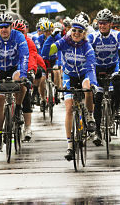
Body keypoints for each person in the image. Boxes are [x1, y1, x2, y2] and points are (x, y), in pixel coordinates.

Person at [42, 16, 97, 160]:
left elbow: (91, 68)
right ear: (70, 30)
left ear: (84, 33)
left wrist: (94, 84)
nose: (76, 33)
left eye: (80, 31)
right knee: (69, 109)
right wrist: (52, 37)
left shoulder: (87, 46)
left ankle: (90, 115)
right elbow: (46, 53)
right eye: (74, 30)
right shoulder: (64, 42)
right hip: (69, 76)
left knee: (88, 88)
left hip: (84, 75)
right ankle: (70, 146)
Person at [0, 13, 29, 152]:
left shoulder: (19, 37)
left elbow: (24, 57)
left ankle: (17, 107)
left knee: (20, 83)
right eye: (1, 27)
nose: (3, 30)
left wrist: (23, 75)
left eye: (6, 27)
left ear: (11, 27)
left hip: (14, 68)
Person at [88, 8, 120, 146]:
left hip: (112, 66)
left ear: (110, 24)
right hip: (97, 68)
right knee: (97, 98)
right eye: (100, 23)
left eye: (105, 23)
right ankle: (97, 131)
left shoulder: (118, 36)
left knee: (118, 84)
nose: (102, 25)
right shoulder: (92, 37)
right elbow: (89, 56)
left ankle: (118, 109)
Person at [11, 19, 38, 141]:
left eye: (21, 32)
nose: (18, 35)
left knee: (25, 94)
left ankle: (28, 127)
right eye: (16, 32)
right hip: (11, 70)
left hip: (24, 69)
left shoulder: (29, 42)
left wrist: (31, 71)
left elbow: (32, 57)